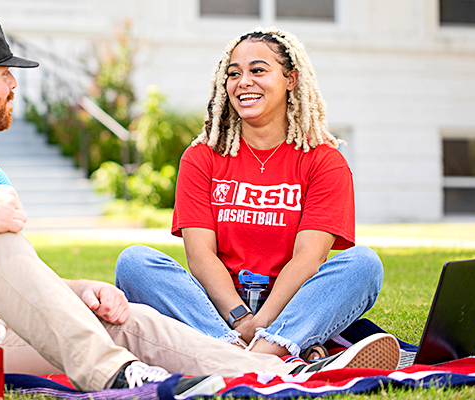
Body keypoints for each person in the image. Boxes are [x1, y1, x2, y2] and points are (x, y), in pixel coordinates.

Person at [0, 18, 399, 392]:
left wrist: (77, 293)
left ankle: (283, 374)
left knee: (121, 316)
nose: (15, 88)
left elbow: (8, 280)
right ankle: (118, 378)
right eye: (6, 75)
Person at [116, 27, 385, 362]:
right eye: (233, 73)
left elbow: (309, 259)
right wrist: (240, 319)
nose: (243, 82)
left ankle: (249, 354)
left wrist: (264, 321)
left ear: (291, 79)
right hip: (214, 309)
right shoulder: (201, 157)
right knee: (134, 262)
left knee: (364, 265)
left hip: (293, 305)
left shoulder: (324, 161)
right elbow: (200, 257)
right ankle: (261, 353)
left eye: (258, 70)